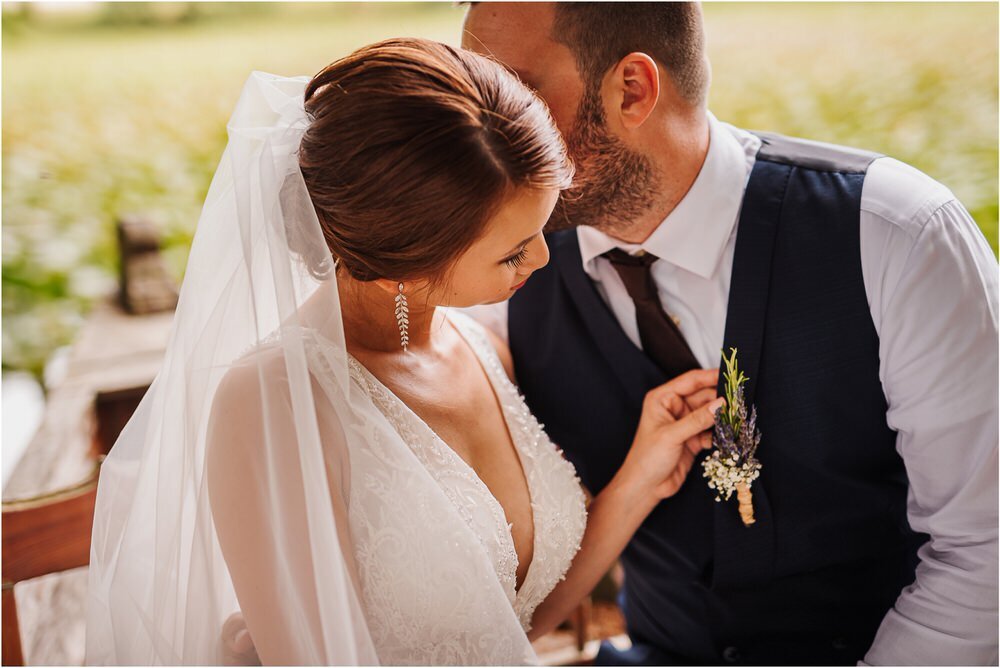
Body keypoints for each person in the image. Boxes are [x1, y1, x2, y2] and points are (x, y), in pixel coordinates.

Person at [85, 38, 725, 665]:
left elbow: (510, 628)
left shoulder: (483, 349)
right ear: (403, 270)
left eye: (542, 229)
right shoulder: (271, 406)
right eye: (511, 250)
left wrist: (641, 476)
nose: (541, 257)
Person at [461, 3, 999, 665]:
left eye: (509, 94)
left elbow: (985, 547)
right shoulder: (497, 278)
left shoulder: (898, 236)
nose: (475, 133)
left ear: (632, 89)